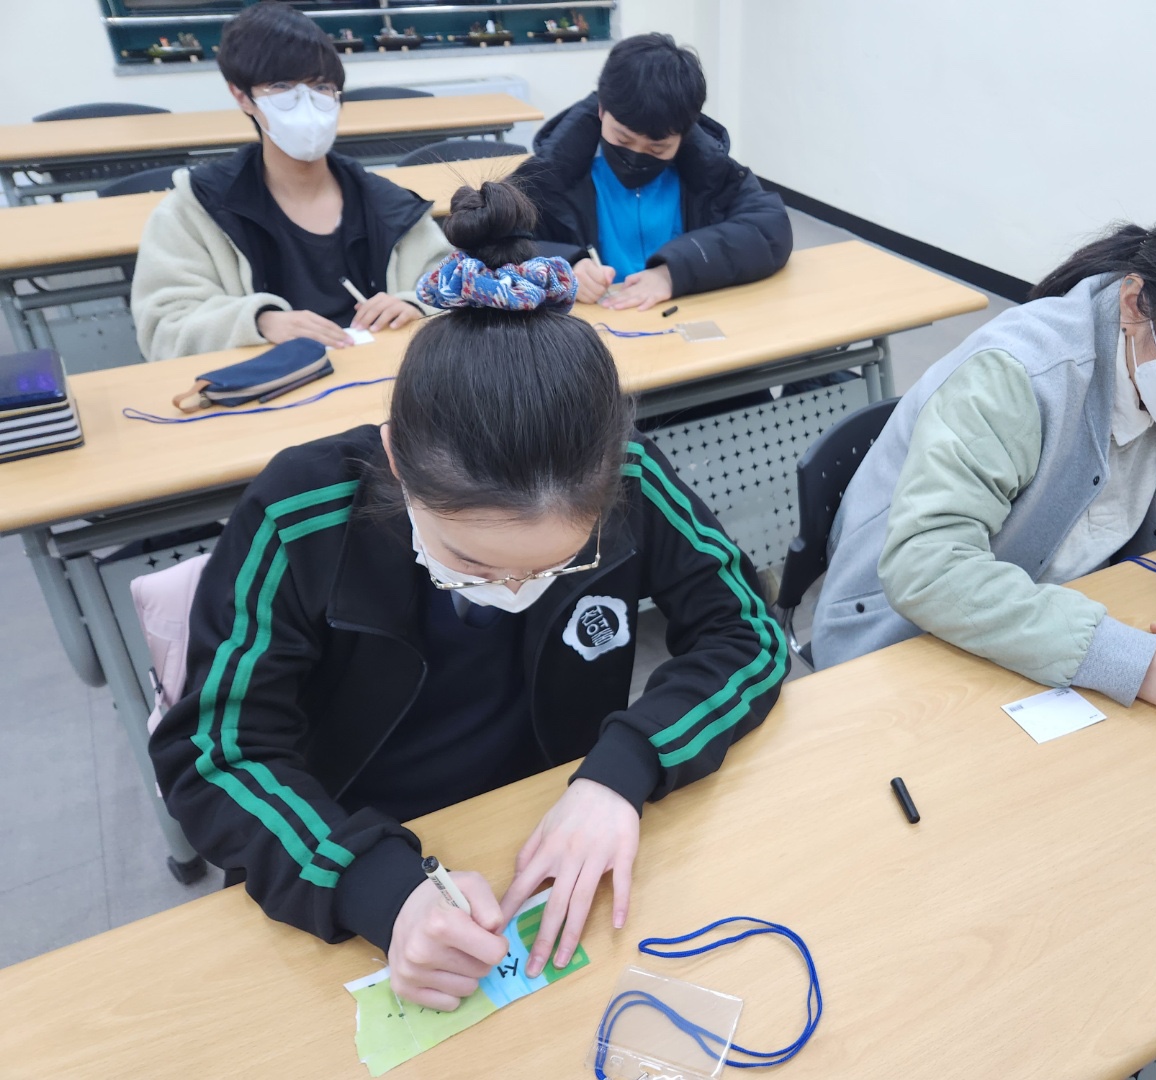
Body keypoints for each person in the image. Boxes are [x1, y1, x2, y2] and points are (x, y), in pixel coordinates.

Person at [149, 179, 788, 1010]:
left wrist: (623, 769)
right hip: (351, 839)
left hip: (553, 806)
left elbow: (749, 632)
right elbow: (216, 755)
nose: (514, 591)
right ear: (395, 459)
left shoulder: (626, 474)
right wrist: (378, 890)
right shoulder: (301, 510)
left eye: (557, 565)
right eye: (473, 563)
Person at [812, 174, 1156, 718]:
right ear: (1137, 304)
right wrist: (1140, 664)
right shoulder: (1018, 376)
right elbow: (928, 567)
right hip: (907, 646)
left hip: (1054, 631)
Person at [131, 1, 451, 361]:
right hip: (264, 391)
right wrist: (258, 322)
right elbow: (162, 326)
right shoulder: (198, 208)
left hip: (383, 380)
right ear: (242, 96)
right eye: (280, 86)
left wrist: (415, 306)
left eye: (321, 86)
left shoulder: (388, 205)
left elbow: (457, 289)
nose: (306, 102)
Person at [512, 32, 793, 313]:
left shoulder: (709, 171)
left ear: (685, 134)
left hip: (685, 315)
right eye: (622, 139)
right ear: (601, 110)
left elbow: (769, 228)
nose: (636, 156)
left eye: (658, 149)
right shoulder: (554, 172)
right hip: (591, 326)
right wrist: (563, 265)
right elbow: (495, 238)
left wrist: (674, 272)